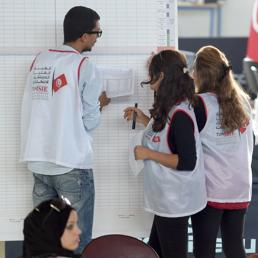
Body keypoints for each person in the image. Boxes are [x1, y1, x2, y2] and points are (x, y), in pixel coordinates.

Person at [20, 6, 110, 253]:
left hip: (38, 160)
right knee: (76, 242)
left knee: (45, 240)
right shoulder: (83, 66)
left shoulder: (40, 60)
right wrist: (100, 105)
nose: (97, 38)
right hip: (71, 163)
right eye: (97, 33)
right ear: (84, 35)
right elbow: (90, 121)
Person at [123, 50, 206, 258]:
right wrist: (143, 119)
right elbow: (166, 135)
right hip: (165, 200)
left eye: (150, 72)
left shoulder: (180, 113)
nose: (147, 77)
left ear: (161, 76)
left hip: (174, 201)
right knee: (155, 251)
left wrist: (148, 154)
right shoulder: (170, 107)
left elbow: (187, 162)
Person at [191, 45, 254, 258]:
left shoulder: (199, 103)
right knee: (234, 246)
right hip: (240, 186)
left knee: (204, 249)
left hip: (212, 189)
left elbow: (181, 140)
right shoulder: (243, 101)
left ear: (199, 73)